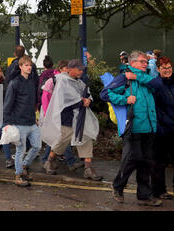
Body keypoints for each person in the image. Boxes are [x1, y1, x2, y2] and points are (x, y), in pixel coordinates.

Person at [106, 50, 161, 207]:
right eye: (143, 62)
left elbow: (157, 84)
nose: (146, 64)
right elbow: (107, 94)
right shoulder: (123, 78)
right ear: (132, 62)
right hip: (133, 127)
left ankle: (144, 196)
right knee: (133, 159)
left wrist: (137, 76)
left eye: (146, 62)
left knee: (146, 162)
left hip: (149, 126)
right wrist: (125, 99)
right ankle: (117, 186)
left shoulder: (145, 77)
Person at [41, 59, 102, 181]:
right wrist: (81, 101)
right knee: (63, 139)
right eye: (79, 69)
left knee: (85, 137)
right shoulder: (62, 80)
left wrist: (88, 100)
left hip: (80, 115)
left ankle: (88, 168)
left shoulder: (79, 82)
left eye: (81, 69)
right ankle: (49, 161)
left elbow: (87, 93)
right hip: (67, 116)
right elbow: (64, 98)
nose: (81, 71)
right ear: (70, 69)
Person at [39, 60, 83, 172]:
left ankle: (50, 161)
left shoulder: (69, 82)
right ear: (60, 69)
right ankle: (49, 160)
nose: (67, 71)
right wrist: (49, 113)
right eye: (65, 69)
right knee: (60, 138)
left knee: (61, 138)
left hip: (62, 113)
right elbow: (45, 97)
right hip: (53, 113)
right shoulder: (53, 80)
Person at [4, 55, 41, 187]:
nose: (29, 67)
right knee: (21, 150)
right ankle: (18, 175)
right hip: (19, 122)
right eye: (26, 65)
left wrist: (35, 117)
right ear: (20, 67)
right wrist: (7, 123)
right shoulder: (14, 83)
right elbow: (8, 104)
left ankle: (24, 166)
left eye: (30, 65)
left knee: (37, 146)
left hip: (31, 121)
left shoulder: (31, 82)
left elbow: (32, 102)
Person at [151, 56, 174, 200]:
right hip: (163, 130)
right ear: (158, 69)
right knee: (160, 162)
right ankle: (159, 190)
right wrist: (167, 122)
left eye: (169, 67)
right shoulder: (156, 85)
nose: (167, 70)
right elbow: (156, 109)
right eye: (164, 68)